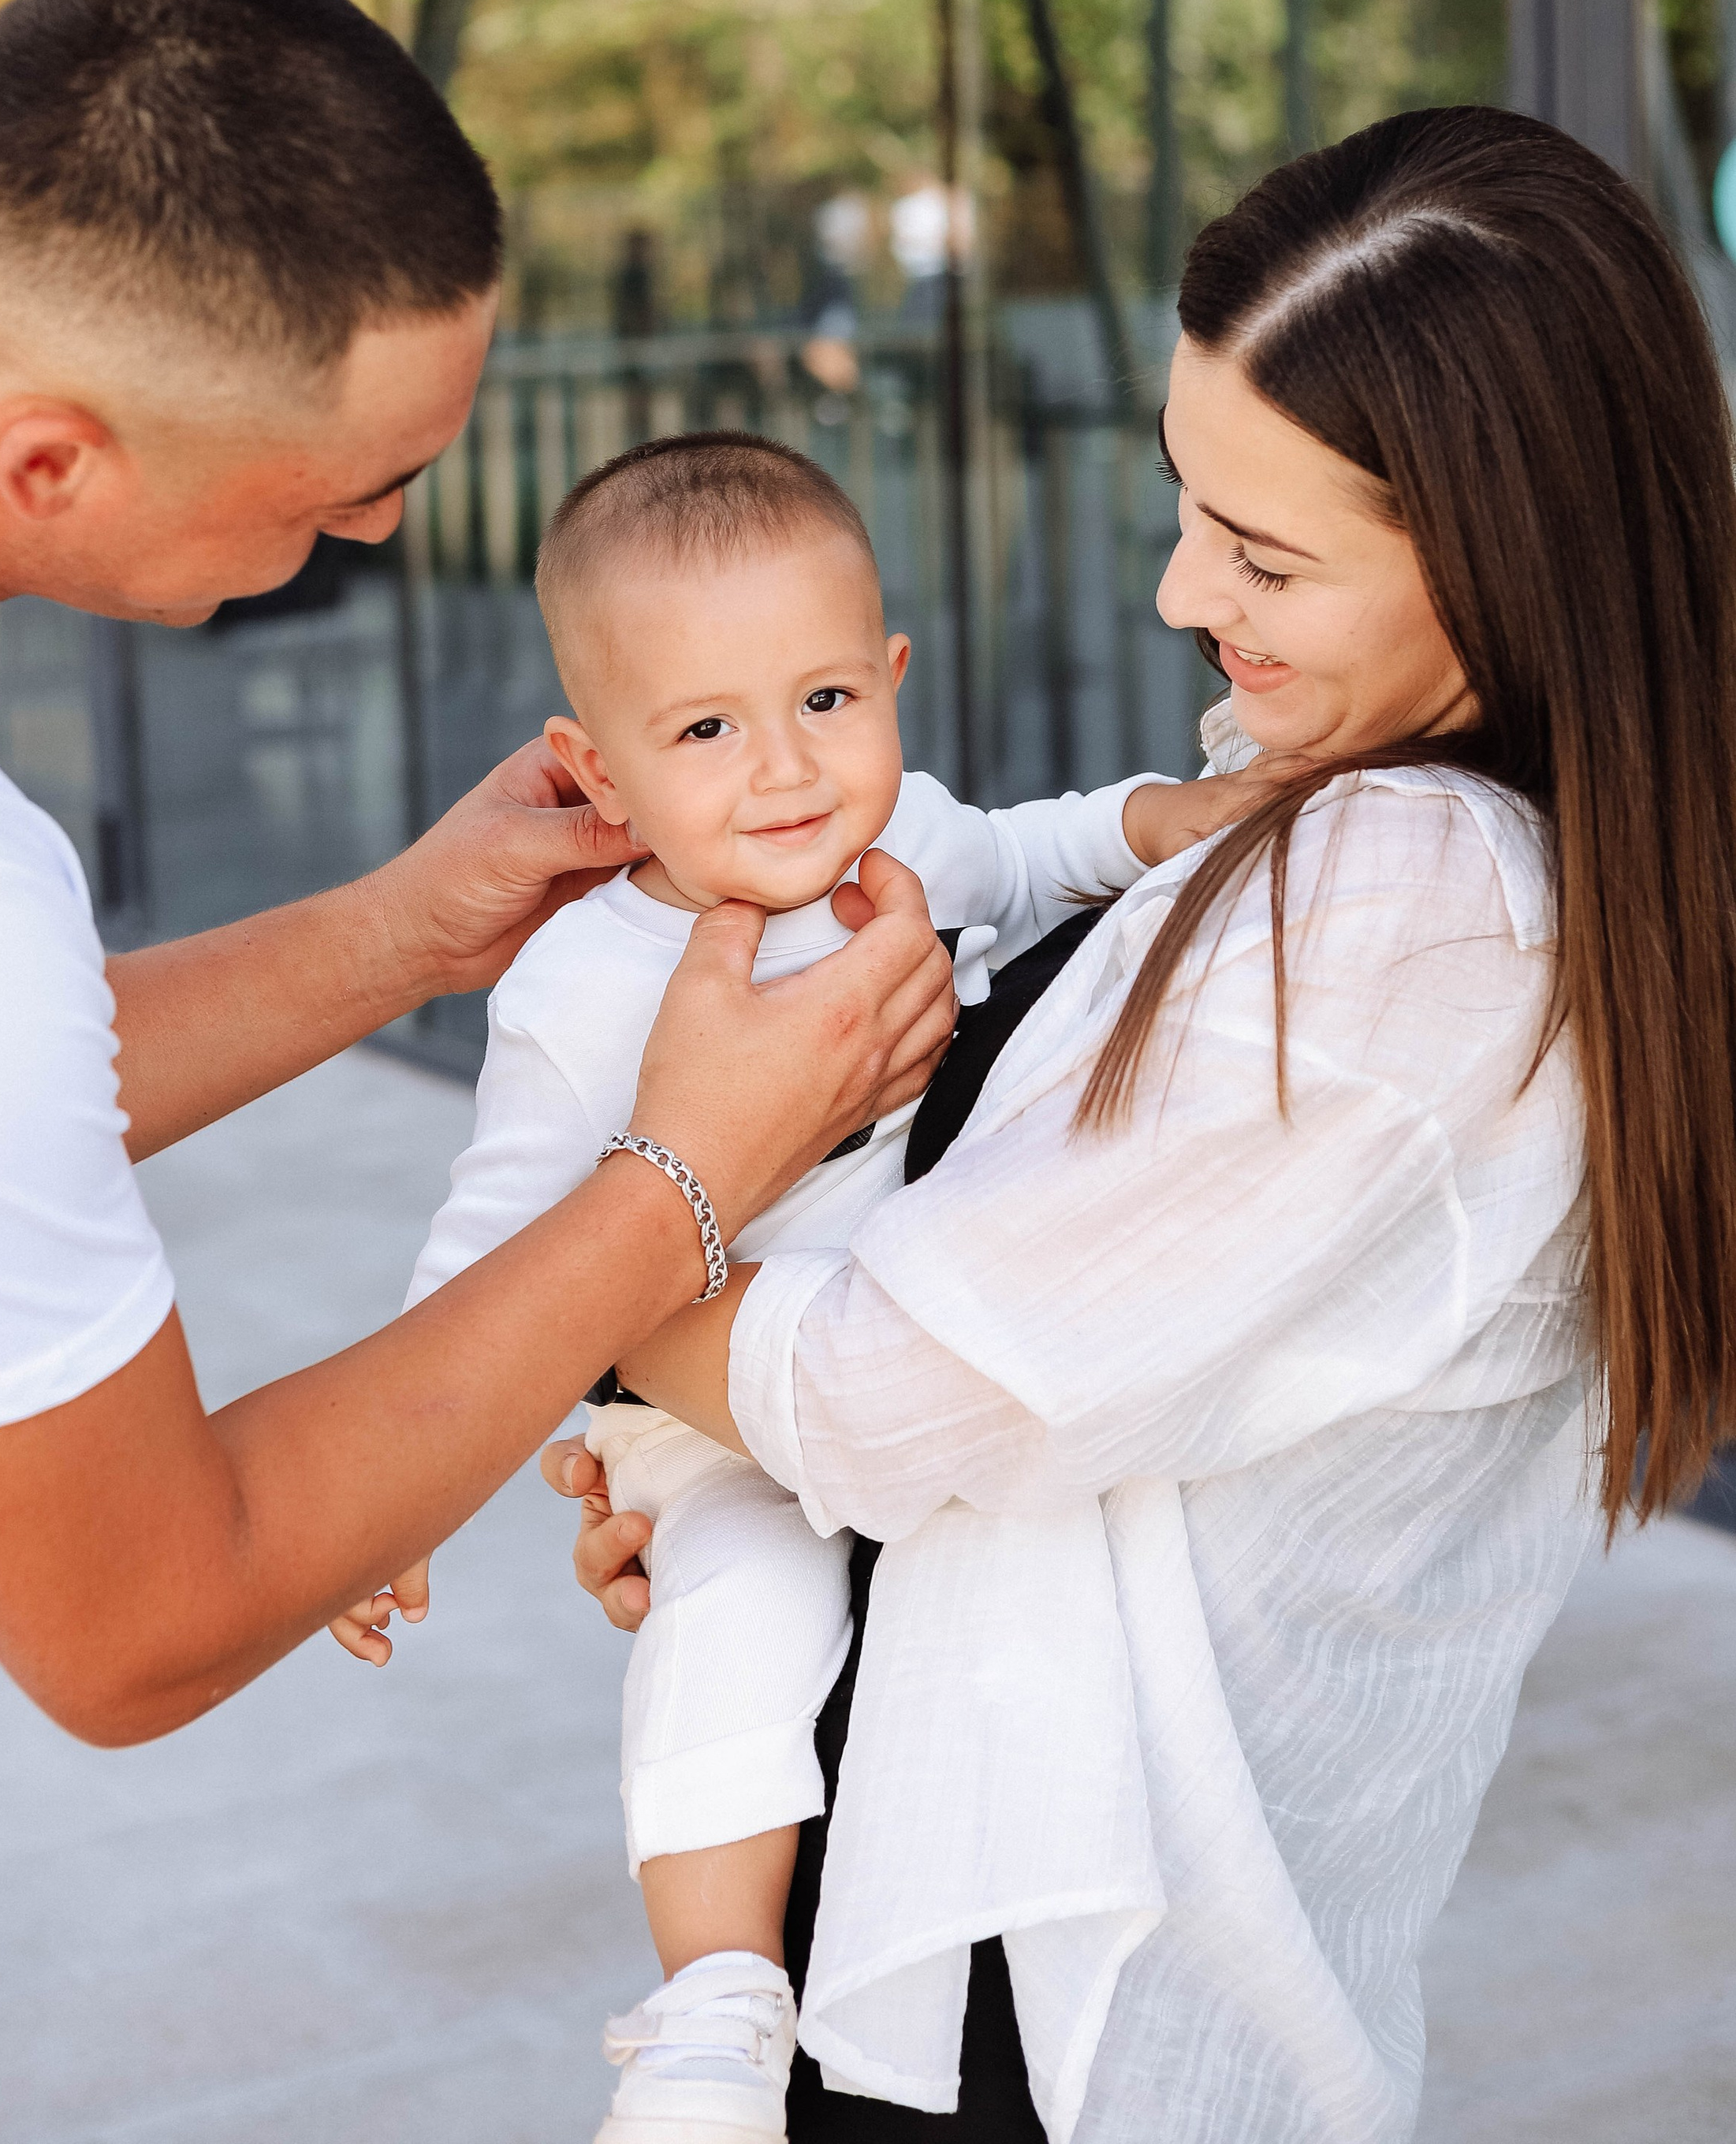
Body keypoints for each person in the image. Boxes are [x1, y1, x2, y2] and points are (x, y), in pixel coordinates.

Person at [0, 0, 956, 2144]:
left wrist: (406, 932)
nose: (380, 530)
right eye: (340, 489)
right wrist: (682, 1179)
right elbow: (144, 1621)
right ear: (54, 462)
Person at [553, 106, 1736, 2143]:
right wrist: (717, 1439)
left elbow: (904, 1393)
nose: (1192, 591)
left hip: (1055, 2007)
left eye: (1268, 555)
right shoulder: (1343, 814)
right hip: (984, 1893)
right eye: (1190, 504)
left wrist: (610, 1269)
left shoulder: (1419, 909)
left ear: (1511, 556)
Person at [333, 430, 1272, 2140]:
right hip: (716, 1428)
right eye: (704, 729)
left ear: (891, 679)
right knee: (731, 1622)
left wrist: (1174, 820)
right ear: (593, 769)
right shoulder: (578, 982)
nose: (782, 770)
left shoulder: (907, 839)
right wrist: (392, 1488)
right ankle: (713, 2005)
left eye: (825, 700)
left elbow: (1047, 847)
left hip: (940, 1386)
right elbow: (486, 1249)